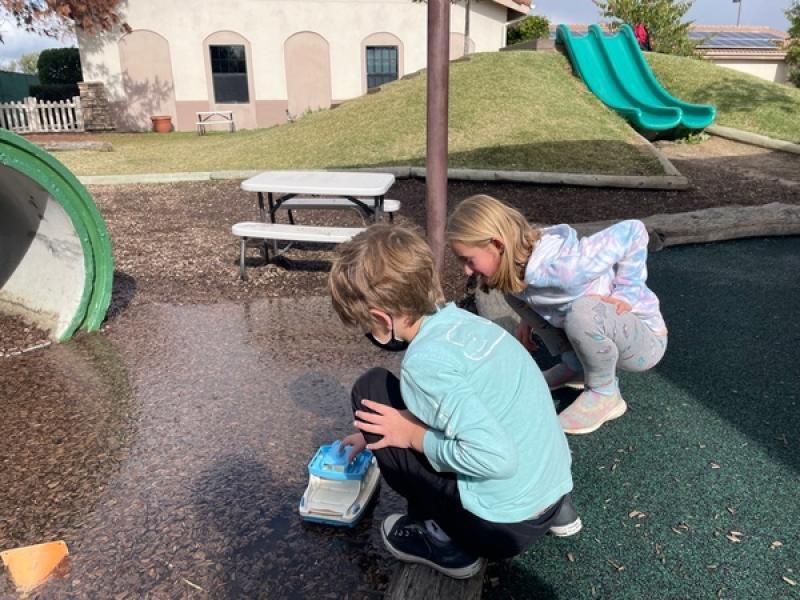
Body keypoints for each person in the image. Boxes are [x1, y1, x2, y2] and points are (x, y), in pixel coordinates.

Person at [329, 224, 579, 579]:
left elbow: (496, 458)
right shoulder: (469, 326)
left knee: (371, 390)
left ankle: (443, 541)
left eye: (366, 326)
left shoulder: (423, 363)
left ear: (381, 318)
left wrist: (411, 437)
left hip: (500, 528)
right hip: (550, 490)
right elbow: (480, 408)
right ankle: (559, 510)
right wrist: (377, 433)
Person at [446, 195, 668, 435]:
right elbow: (538, 296)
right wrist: (527, 320)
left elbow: (634, 231)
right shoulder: (519, 269)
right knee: (511, 292)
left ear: (497, 245)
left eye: (468, 260)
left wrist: (627, 291)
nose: (466, 270)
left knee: (582, 312)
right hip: (602, 330)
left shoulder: (567, 267)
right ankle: (576, 367)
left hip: (645, 343)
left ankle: (604, 392)